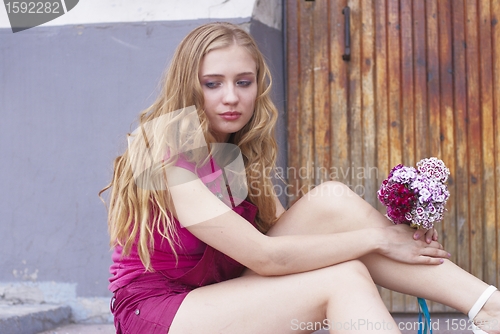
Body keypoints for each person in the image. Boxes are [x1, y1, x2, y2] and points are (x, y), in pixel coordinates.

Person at [101, 22, 500, 334]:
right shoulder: (162, 147)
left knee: (333, 202)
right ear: (188, 85)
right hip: (157, 312)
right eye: (212, 83)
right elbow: (267, 257)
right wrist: (380, 240)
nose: (231, 97)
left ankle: (488, 306)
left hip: (220, 292)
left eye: (244, 82)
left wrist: (399, 235)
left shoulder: (237, 150)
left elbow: (301, 240)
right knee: (343, 279)